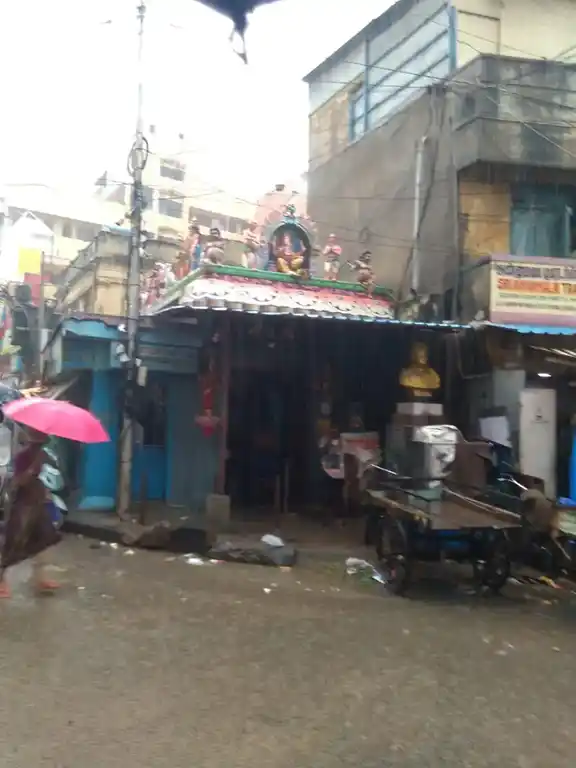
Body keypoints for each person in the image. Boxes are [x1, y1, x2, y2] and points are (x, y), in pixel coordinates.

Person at [0, 427, 62, 598]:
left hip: (37, 504)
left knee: (46, 538)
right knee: (14, 544)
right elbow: (19, 482)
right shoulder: (22, 457)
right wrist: (33, 467)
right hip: (23, 505)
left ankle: (41, 578)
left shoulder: (42, 455)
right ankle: (1, 580)